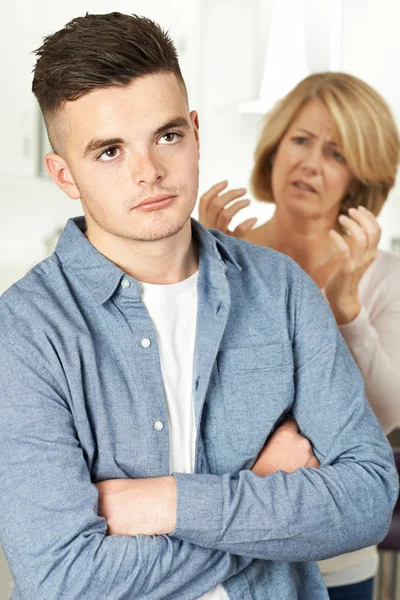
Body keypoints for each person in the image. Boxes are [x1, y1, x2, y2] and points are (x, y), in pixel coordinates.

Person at [0, 14, 397, 600]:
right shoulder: (27, 330)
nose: (150, 172)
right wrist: (261, 493)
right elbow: (63, 580)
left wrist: (165, 501)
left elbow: (366, 499)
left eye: (166, 136)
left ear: (194, 132)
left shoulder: (281, 289)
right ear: (64, 174)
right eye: (109, 151)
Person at [199, 71, 400, 600]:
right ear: (273, 150)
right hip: (228, 549)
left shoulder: (385, 278)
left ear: (359, 178)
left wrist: (346, 309)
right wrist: (208, 271)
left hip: (338, 560)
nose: (311, 162)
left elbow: (384, 415)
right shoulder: (220, 255)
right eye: (301, 140)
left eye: (337, 153)